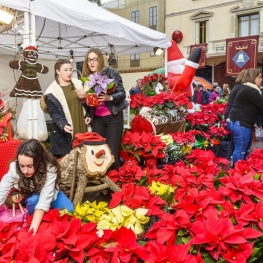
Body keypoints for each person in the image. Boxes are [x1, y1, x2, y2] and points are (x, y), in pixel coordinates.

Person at [0, 139, 74, 234]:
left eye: (29, 166)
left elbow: (44, 199)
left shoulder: (50, 168)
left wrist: (32, 232)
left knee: (69, 210)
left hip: (49, 192)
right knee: (34, 201)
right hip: (28, 193)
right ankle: (31, 217)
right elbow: (2, 190)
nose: (25, 171)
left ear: (39, 161)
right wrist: (33, 230)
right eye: (22, 166)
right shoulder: (14, 168)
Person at [81, 48, 129, 170]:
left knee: (112, 156)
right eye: (89, 60)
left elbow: (122, 94)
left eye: (94, 59)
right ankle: (104, 186)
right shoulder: (87, 78)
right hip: (97, 120)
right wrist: (87, 114)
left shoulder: (111, 72)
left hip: (113, 118)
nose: (91, 62)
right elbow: (89, 103)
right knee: (100, 154)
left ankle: (117, 185)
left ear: (100, 60)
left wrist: (109, 97)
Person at [41, 59, 88, 158]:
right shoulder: (51, 92)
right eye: (66, 70)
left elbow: (86, 104)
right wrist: (63, 124)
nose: (69, 72)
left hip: (82, 127)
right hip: (67, 132)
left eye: (70, 70)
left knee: (84, 161)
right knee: (69, 163)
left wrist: (87, 113)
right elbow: (54, 113)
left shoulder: (78, 84)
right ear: (58, 71)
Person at [228, 68, 263, 166]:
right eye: (259, 77)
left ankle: (241, 170)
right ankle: (237, 172)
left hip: (241, 122)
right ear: (253, 78)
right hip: (241, 122)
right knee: (241, 150)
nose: (261, 79)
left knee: (244, 149)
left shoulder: (248, 88)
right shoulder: (251, 90)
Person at [224, 70, 246, 158]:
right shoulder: (241, 87)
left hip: (230, 113)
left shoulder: (236, 86)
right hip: (234, 114)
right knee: (237, 140)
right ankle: (235, 161)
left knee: (235, 138)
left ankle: (233, 157)